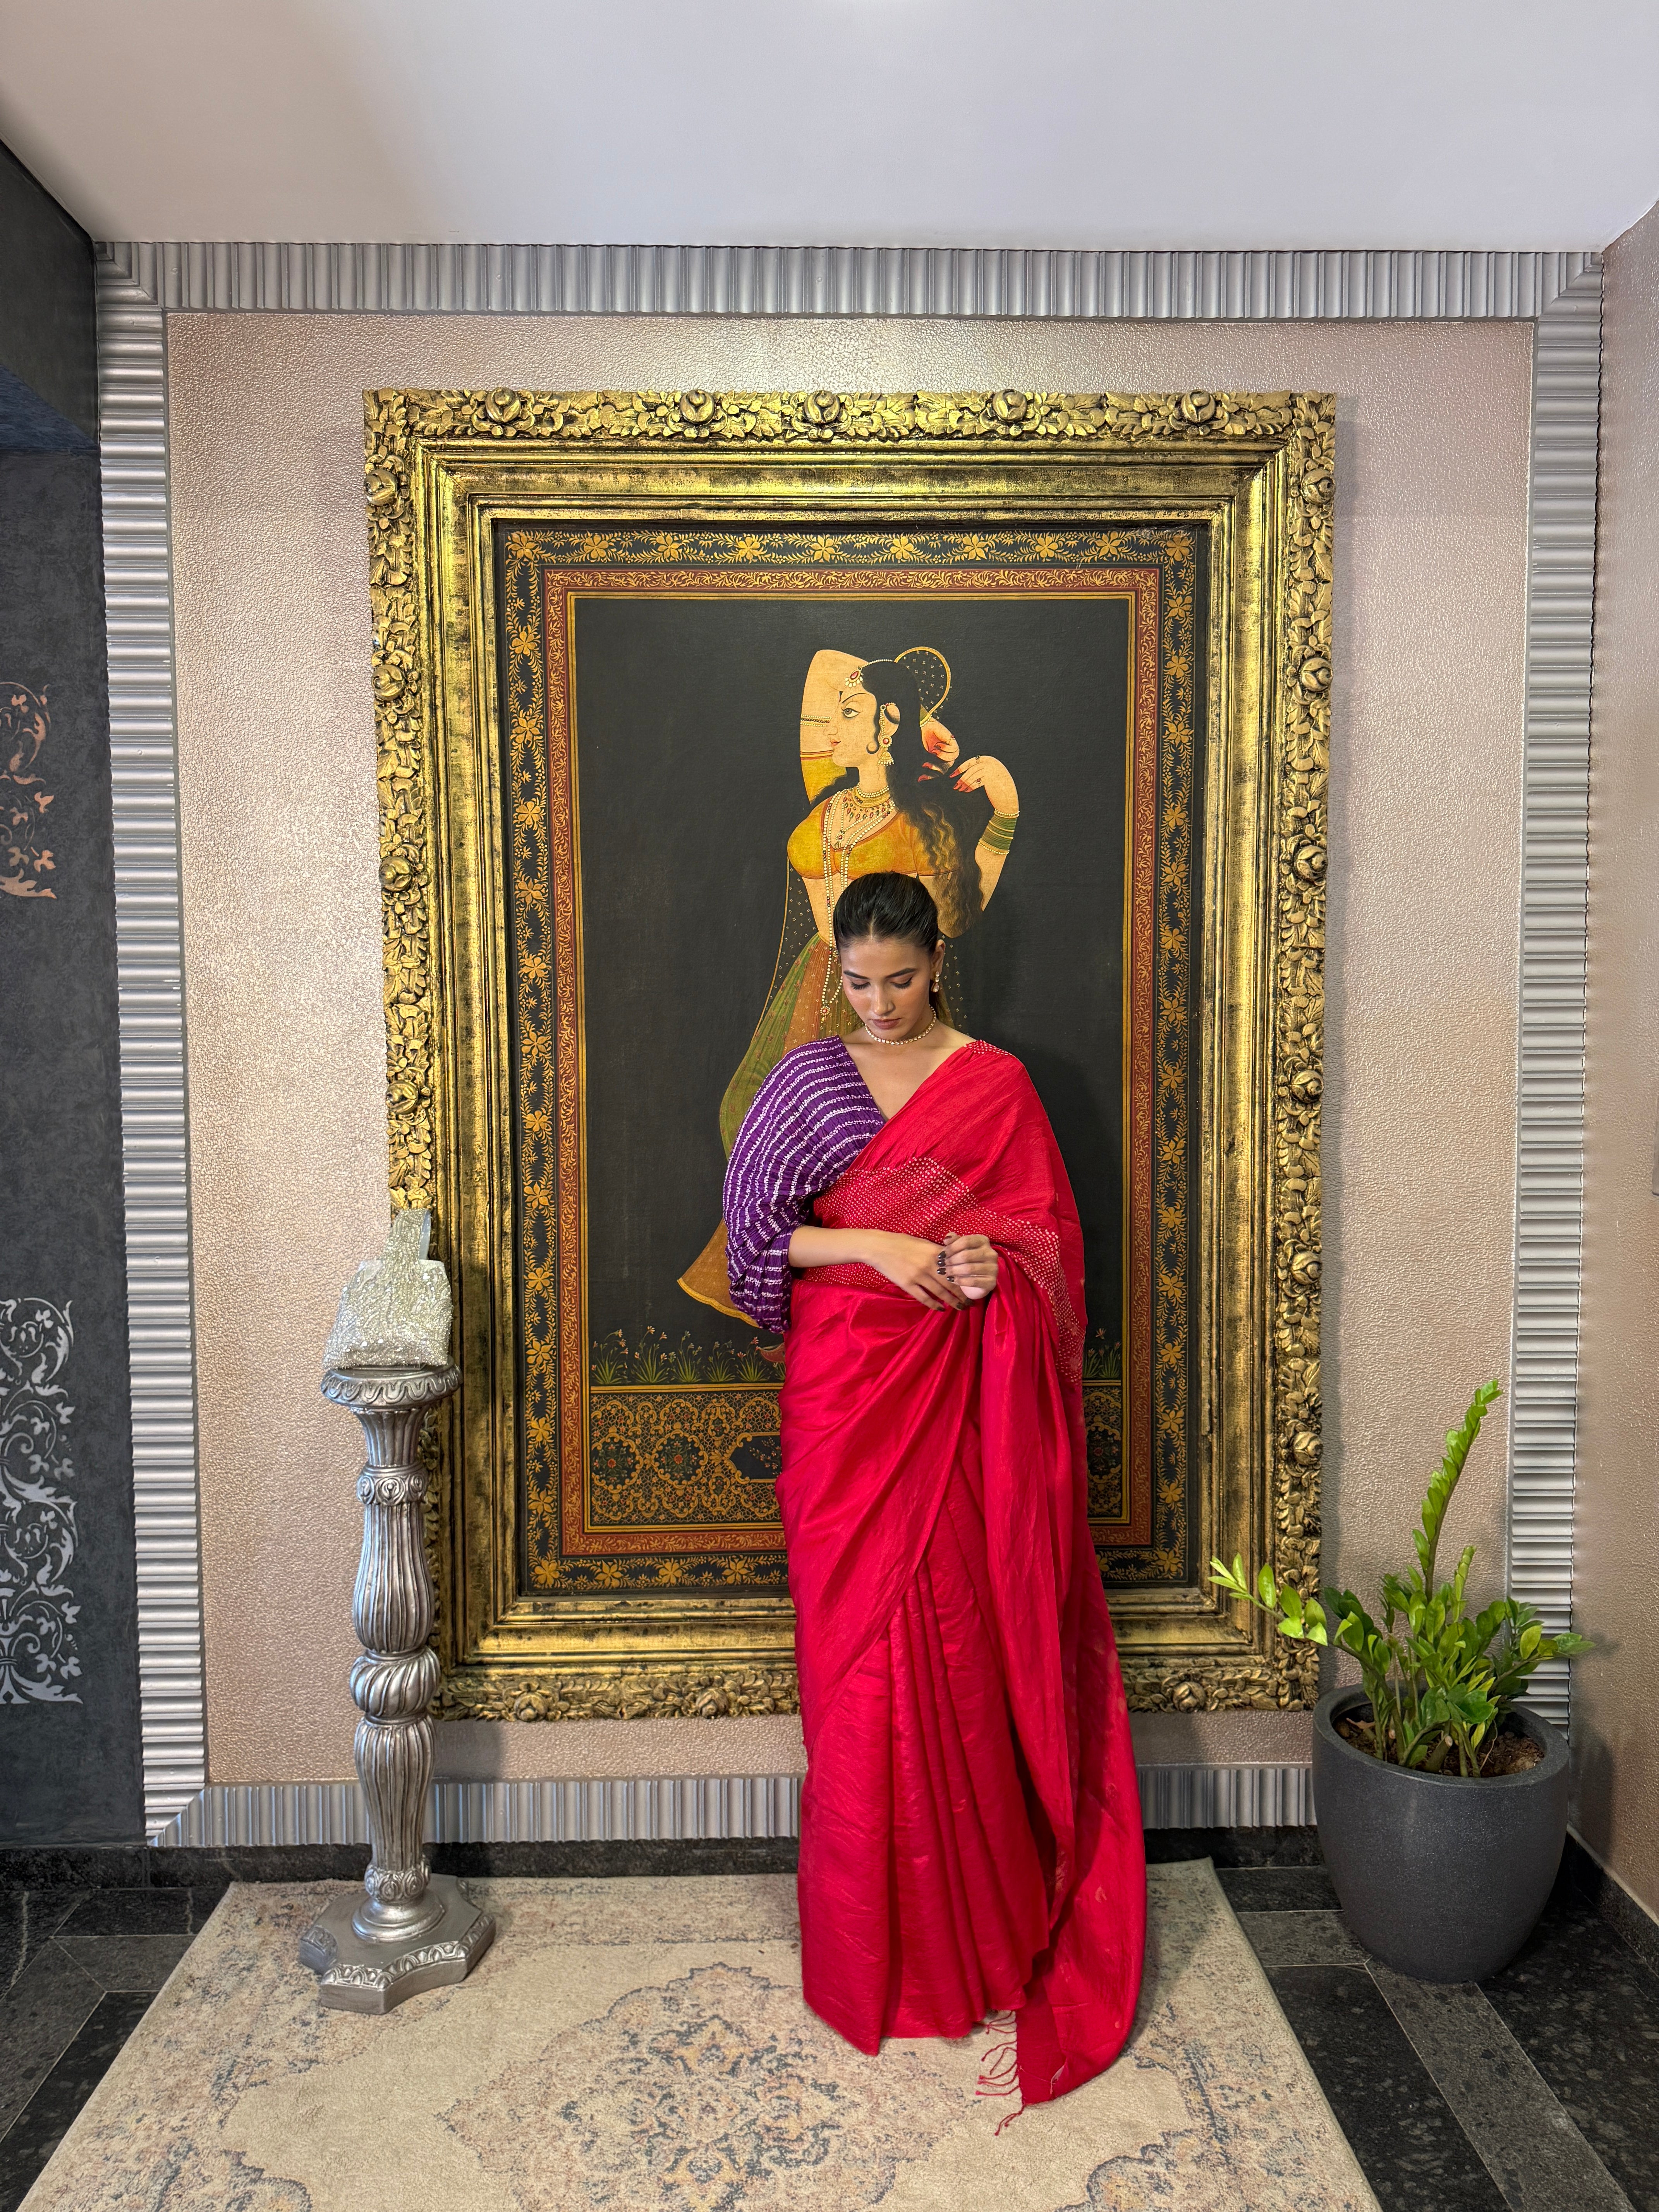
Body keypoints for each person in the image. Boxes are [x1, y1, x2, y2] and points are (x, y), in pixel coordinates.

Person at [721, 870, 1146, 2107]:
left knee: (958, 1649)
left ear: (934, 958)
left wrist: (977, 1266)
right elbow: (755, 1244)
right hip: (846, 1399)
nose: (879, 1003)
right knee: (854, 1668)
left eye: (898, 979)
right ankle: (872, 1957)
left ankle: (976, 1945)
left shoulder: (995, 1086)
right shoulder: (806, 1082)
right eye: (857, 982)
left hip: (958, 1411)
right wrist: (878, 1244)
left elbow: (1042, 1258)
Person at [678, 648, 1020, 1318]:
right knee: (747, 1113)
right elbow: (835, 933)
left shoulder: (924, 822)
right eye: (833, 715)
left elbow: (955, 915)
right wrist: (850, 982)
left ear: (889, 723)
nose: (833, 729)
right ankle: (810, 1285)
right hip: (822, 987)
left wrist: (1003, 814)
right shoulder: (818, 826)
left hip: (890, 979)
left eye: (850, 713)